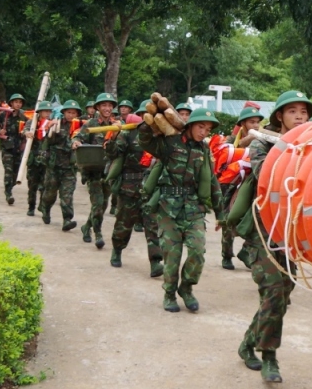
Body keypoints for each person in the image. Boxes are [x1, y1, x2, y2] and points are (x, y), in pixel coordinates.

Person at [234, 91, 312, 381]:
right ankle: (270, 357)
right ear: (279, 116)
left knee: (281, 297)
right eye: (293, 111)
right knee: (274, 293)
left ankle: (247, 344)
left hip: (290, 234)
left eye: (304, 113)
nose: (300, 117)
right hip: (263, 232)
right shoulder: (261, 145)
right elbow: (267, 175)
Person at [138, 108, 222, 313]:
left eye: (208, 129)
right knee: (172, 254)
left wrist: (221, 214)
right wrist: (147, 125)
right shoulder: (170, 142)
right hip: (168, 207)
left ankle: (186, 287)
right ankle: (169, 293)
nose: (204, 132)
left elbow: (211, 181)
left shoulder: (203, 150)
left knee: (197, 251)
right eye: (200, 126)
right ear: (190, 125)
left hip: (193, 208)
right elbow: (145, 142)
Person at [105, 109, 163, 275]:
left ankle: (155, 262)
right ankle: (117, 250)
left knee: (153, 225)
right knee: (124, 223)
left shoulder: (161, 136)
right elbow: (114, 153)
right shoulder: (129, 133)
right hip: (130, 186)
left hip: (152, 187)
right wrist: (113, 137)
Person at [216, 105, 263, 271]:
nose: (256, 125)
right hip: (230, 184)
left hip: (251, 183)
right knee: (229, 219)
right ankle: (226, 255)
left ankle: (246, 252)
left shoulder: (263, 138)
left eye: (258, 122)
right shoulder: (230, 141)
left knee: (254, 220)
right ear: (243, 124)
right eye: (252, 122)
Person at [77, 92, 118, 248]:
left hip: (109, 172)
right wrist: (76, 143)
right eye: (104, 105)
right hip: (93, 171)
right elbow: (78, 138)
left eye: (109, 105)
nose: (107, 108)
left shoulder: (118, 124)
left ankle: (86, 227)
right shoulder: (91, 124)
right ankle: (98, 234)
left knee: (102, 205)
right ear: (98, 108)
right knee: (98, 203)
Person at [41, 100, 82, 230]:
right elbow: (46, 140)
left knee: (67, 195)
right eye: (69, 112)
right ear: (64, 112)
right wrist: (50, 128)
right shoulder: (56, 123)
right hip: (54, 165)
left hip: (69, 167)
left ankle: (67, 219)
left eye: (74, 113)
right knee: (50, 193)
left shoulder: (80, 127)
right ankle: (45, 209)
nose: (71, 115)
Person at [0, 93, 26, 205]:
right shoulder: (4, 114)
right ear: (11, 103)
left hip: (19, 148)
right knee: (8, 171)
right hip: (7, 147)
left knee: (16, 174)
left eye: (20, 102)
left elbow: (31, 125)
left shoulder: (24, 116)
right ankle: (8, 194)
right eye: (16, 102)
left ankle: (9, 188)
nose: (18, 104)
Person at [25, 101, 54, 216]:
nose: (47, 113)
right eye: (45, 111)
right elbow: (25, 130)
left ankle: (42, 205)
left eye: (49, 111)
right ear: (40, 112)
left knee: (45, 184)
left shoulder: (52, 124)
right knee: (32, 184)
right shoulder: (33, 123)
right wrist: (27, 132)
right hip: (33, 158)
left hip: (46, 159)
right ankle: (31, 207)